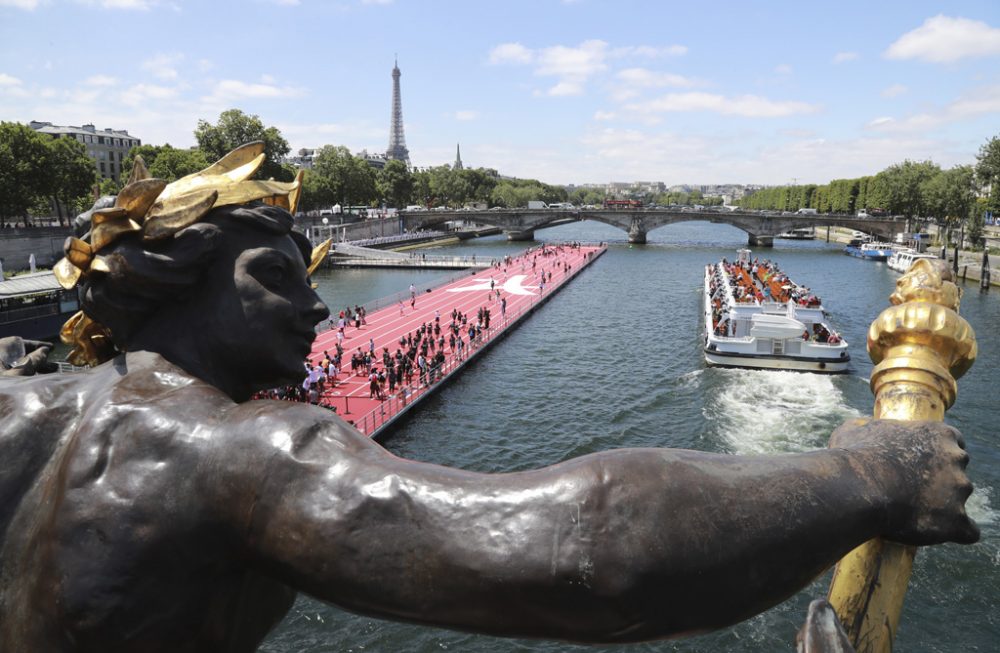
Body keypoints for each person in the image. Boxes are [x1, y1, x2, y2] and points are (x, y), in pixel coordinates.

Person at [0, 150, 978, 653]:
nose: (312, 298)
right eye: (276, 271)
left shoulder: (24, 408)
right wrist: (863, 472)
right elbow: (589, 548)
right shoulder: (233, 451)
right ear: (185, 277)